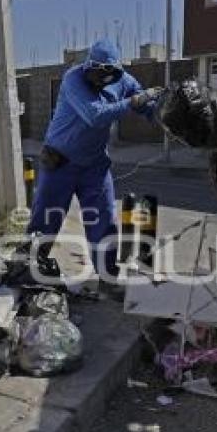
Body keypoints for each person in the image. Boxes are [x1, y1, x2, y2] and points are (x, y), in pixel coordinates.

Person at [26, 39, 162, 278]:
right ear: (89, 66)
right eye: (96, 75)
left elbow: (145, 104)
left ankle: (107, 275)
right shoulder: (74, 79)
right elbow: (95, 116)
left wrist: (162, 113)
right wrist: (134, 102)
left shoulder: (124, 80)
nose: (99, 82)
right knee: (46, 219)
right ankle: (30, 269)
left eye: (105, 77)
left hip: (94, 166)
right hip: (60, 162)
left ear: (115, 71)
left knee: (103, 223)